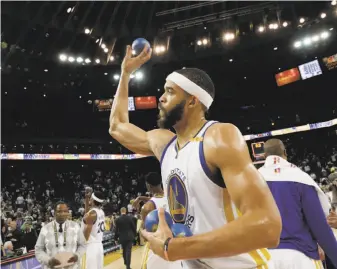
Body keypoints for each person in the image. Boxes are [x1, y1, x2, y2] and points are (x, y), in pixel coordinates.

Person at [109, 44, 282, 268]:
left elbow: (267, 226)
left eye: (170, 91)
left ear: (192, 100)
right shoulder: (164, 143)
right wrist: (125, 74)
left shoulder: (219, 136)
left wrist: (178, 248)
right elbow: (117, 126)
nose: (161, 98)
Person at [258, 139, 337, 269]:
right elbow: (320, 227)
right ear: (285, 152)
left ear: (264, 156)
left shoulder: (252, 180)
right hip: (301, 256)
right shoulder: (300, 177)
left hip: (265, 258)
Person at [138, 172, 179, 269]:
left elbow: (145, 237)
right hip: (174, 245)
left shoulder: (147, 207)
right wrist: (140, 198)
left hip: (156, 249)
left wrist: (140, 229)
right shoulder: (173, 197)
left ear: (148, 185)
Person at [35, 201, 86, 269]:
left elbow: (83, 245)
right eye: (59, 211)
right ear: (54, 213)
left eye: (65, 211)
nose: (62, 213)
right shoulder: (45, 229)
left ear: (68, 212)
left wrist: (77, 256)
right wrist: (48, 261)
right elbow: (38, 250)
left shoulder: (75, 226)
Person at [81, 191, 106, 269]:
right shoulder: (101, 212)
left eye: (91, 198)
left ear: (93, 200)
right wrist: (86, 199)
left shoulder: (91, 214)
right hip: (99, 245)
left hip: (90, 246)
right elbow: (87, 214)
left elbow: (86, 234)